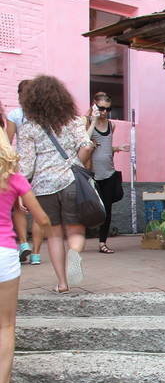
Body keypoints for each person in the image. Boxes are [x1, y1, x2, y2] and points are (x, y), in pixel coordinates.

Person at [17, 75, 93, 293]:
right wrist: (78, 160)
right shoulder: (72, 121)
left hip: (42, 187)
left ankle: (62, 284)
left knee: (54, 235)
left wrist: (23, 193)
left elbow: (26, 167)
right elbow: (86, 146)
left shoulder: (29, 128)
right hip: (70, 182)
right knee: (76, 232)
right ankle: (75, 253)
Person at [0, 116, 51, 383]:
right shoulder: (12, 176)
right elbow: (41, 217)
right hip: (5, 253)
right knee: (5, 325)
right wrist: (49, 237)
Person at [83, 92, 130, 254]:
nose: (104, 112)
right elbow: (82, 142)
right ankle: (78, 239)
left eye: (107, 109)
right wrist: (93, 120)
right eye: (101, 108)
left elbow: (104, 146)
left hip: (108, 172)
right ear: (94, 106)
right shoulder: (87, 121)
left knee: (107, 209)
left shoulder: (111, 125)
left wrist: (117, 148)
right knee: (87, 206)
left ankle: (102, 242)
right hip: (91, 173)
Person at [5, 80, 40, 265]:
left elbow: (8, 142)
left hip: (22, 166)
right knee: (39, 208)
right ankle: (35, 254)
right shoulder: (43, 115)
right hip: (42, 165)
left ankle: (24, 243)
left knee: (19, 207)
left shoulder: (15, 114)